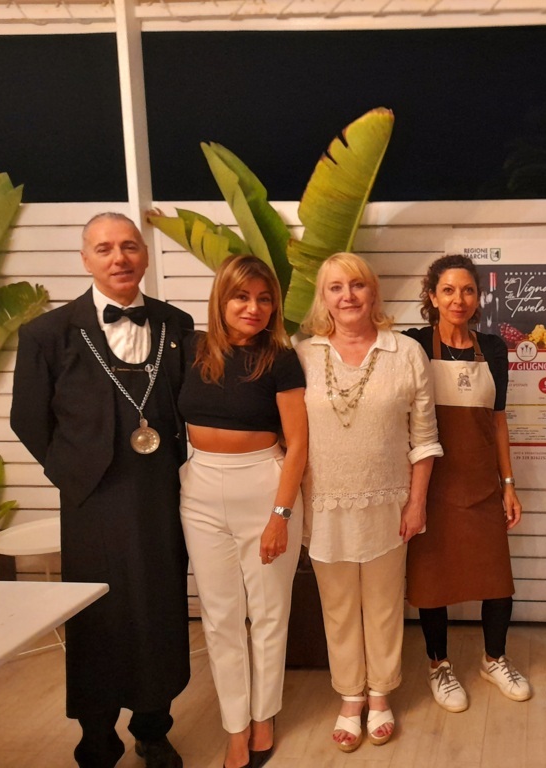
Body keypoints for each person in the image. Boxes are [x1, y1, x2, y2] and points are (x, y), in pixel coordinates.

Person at [10, 212, 192, 768]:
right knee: (97, 613)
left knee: (159, 608)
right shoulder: (47, 333)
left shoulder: (176, 325)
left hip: (160, 493)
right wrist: (74, 474)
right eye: (105, 248)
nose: (119, 258)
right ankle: (96, 735)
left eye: (130, 246)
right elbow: (27, 418)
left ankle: (153, 729)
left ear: (145, 255)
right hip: (91, 499)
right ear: (85, 259)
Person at [296, 252, 443, 751]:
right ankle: (350, 696)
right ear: (323, 297)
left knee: (382, 604)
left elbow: (425, 437)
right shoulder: (302, 355)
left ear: (373, 292)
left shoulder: (406, 352)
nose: (348, 296)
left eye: (357, 285)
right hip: (323, 505)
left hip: (389, 503)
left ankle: (380, 692)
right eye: (336, 287)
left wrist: (417, 502)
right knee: (337, 608)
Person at [177, 255, 307, 768]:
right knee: (220, 616)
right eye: (241, 296)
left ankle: (263, 715)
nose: (253, 307)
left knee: (269, 612)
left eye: (263, 298)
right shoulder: (191, 350)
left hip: (264, 484)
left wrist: (280, 514)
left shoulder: (281, 358)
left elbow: (298, 444)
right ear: (221, 299)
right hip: (200, 487)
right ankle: (235, 723)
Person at [404, 254, 530, 713]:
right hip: (430, 485)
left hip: (481, 483)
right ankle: (439, 665)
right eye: (448, 290)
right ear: (432, 297)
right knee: (432, 579)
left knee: (497, 580)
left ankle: (494, 659)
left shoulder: (493, 349)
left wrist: (508, 482)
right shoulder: (414, 345)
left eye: (468, 290)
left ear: (478, 297)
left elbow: (498, 421)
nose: (459, 299)